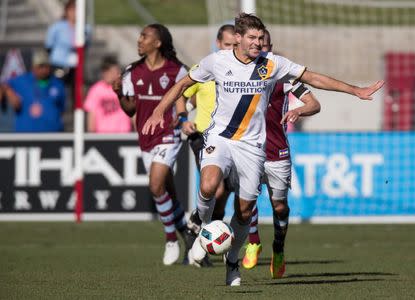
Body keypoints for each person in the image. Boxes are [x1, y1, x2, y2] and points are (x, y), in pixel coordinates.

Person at [141, 13, 384, 286]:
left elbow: (314, 78)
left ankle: (232, 263)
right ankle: (200, 228)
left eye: (260, 38)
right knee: (209, 185)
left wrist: (355, 91)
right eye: (253, 38)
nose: (258, 43)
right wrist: (160, 110)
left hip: (253, 146)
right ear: (237, 38)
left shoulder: (272, 64)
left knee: (245, 211)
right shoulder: (217, 61)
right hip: (220, 137)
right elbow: (184, 84)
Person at [241, 29, 321, 278]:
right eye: (255, 42)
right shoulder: (239, 73)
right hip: (249, 149)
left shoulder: (284, 76)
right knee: (248, 199)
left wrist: (300, 111)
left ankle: (278, 248)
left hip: (277, 151)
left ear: (270, 46)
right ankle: (253, 241)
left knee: (279, 206)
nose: (259, 46)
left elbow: (314, 104)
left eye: (263, 43)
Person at [113, 24, 194, 266]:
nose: (139, 40)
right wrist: (118, 93)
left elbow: (189, 96)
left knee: (156, 184)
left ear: (158, 43)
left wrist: (181, 117)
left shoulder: (177, 71)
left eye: (144, 36)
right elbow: (130, 110)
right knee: (167, 191)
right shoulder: (132, 71)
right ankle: (189, 236)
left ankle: (171, 239)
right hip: (145, 138)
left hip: (168, 135)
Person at [179, 25, 237, 266]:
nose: (231, 49)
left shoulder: (242, 71)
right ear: (217, 43)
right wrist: (183, 119)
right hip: (202, 134)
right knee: (217, 189)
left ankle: (199, 232)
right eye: (227, 45)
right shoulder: (206, 67)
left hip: (232, 138)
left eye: (235, 45)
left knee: (226, 194)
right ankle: (197, 233)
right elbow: (182, 93)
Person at [1, 49, 66, 132]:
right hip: (26, 136)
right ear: (33, 67)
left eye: (46, 66)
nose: (44, 70)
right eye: (40, 67)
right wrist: (9, 93)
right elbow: (4, 84)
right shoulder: (22, 80)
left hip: (52, 135)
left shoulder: (57, 84)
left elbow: (61, 108)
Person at [45, 0, 90, 103]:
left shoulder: (86, 28)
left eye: (77, 10)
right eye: (72, 10)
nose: (74, 13)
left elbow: (86, 45)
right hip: (59, 64)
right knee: (57, 91)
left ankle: (76, 115)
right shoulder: (57, 27)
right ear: (66, 11)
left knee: (77, 94)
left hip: (76, 65)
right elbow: (48, 46)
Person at [84, 56, 132, 133]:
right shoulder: (96, 89)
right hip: (103, 136)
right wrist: (91, 136)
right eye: (106, 72)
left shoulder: (126, 88)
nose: (109, 75)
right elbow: (91, 115)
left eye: (112, 72)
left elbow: (132, 112)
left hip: (123, 135)